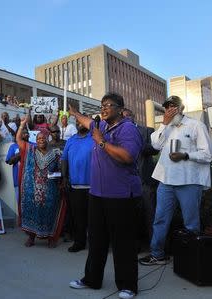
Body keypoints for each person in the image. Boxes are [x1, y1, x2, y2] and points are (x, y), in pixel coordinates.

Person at [68, 93, 142, 299]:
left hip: (120, 195)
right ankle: (92, 279)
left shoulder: (128, 128)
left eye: (109, 105)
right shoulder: (101, 126)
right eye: (102, 105)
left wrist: (101, 142)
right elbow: (88, 121)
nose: (104, 108)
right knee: (97, 240)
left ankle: (128, 285)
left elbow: (127, 156)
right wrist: (75, 112)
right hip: (97, 194)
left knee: (122, 242)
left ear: (120, 108)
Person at [139, 96, 212, 266]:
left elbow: (208, 154)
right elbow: (156, 145)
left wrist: (186, 155)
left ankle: (191, 259)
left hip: (189, 181)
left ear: (182, 108)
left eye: (174, 106)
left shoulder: (196, 126)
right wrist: (164, 123)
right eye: (167, 107)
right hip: (166, 181)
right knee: (160, 219)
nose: (170, 109)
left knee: (191, 222)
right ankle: (157, 254)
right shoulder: (166, 127)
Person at [16, 117, 65, 248]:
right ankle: (31, 238)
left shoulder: (56, 153)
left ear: (47, 139)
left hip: (50, 189)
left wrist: (59, 179)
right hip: (32, 189)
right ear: (36, 141)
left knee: (50, 211)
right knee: (32, 211)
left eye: (43, 138)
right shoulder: (30, 150)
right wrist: (22, 125)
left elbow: (61, 169)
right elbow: (19, 140)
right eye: (38, 139)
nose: (41, 140)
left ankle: (50, 238)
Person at [122, 108, 159, 245]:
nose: (126, 118)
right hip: (126, 182)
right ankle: (135, 245)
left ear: (134, 116)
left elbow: (156, 149)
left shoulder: (147, 130)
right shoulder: (120, 133)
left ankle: (154, 247)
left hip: (145, 182)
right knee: (131, 217)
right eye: (123, 116)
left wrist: (138, 144)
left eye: (128, 116)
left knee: (150, 214)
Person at [61, 118, 92, 252]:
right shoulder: (71, 140)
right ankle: (79, 243)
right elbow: (64, 159)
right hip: (75, 187)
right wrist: (64, 177)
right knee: (78, 218)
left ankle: (96, 245)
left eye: (83, 122)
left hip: (94, 187)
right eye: (78, 122)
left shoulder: (94, 137)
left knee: (94, 219)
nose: (80, 124)